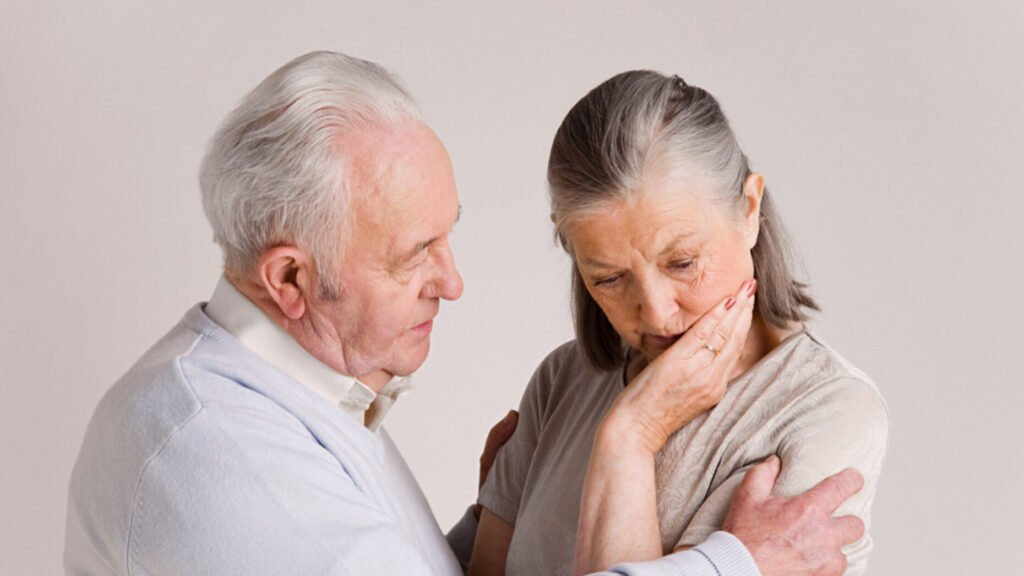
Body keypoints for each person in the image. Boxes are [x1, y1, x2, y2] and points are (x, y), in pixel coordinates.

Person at [64, 52, 866, 576]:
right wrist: (734, 562)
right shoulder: (226, 462)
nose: (452, 283)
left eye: (449, 236)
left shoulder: (295, 409)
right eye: (415, 253)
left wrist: (491, 518)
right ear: (290, 280)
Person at [470, 71, 889, 575]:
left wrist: (630, 436)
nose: (656, 313)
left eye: (683, 263)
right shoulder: (560, 382)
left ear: (749, 210)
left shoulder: (827, 409)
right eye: (608, 279)